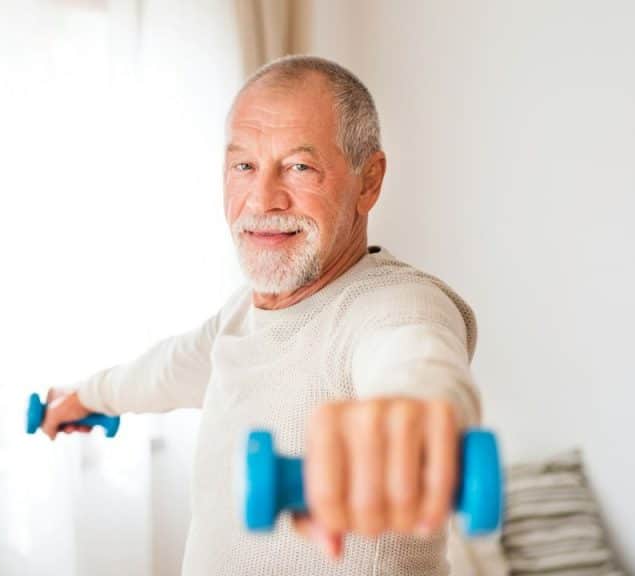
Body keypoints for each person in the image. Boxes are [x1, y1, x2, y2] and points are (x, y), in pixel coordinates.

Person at [40, 55, 480, 575]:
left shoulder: (393, 303)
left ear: (368, 181)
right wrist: (87, 395)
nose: (263, 198)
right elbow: (165, 370)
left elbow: (417, 359)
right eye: (244, 166)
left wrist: (412, 422)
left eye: (299, 166)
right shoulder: (241, 315)